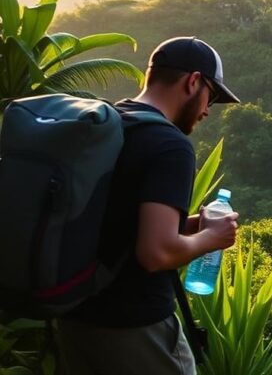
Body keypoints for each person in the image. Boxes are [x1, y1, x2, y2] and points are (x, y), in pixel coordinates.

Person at [55, 37, 241, 375]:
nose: (207, 110)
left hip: (76, 318)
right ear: (193, 81)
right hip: (134, 327)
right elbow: (156, 254)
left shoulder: (108, 123)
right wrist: (213, 238)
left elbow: (117, 223)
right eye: (211, 96)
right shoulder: (170, 145)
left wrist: (194, 225)